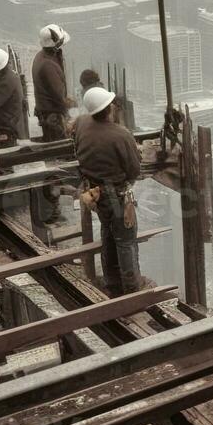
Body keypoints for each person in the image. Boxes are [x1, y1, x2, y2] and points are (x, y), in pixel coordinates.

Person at [73, 86, 151, 296]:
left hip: (96, 194)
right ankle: (133, 288)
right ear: (108, 109)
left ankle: (112, 284)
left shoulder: (81, 124)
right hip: (116, 196)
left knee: (107, 234)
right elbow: (134, 170)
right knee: (125, 242)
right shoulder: (120, 135)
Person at [32, 23, 75, 222]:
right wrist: (74, 105)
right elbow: (60, 97)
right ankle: (54, 207)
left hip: (48, 115)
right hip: (53, 117)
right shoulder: (48, 65)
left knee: (55, 159)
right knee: (58, 161)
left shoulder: (43, 57)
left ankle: (54, 201)